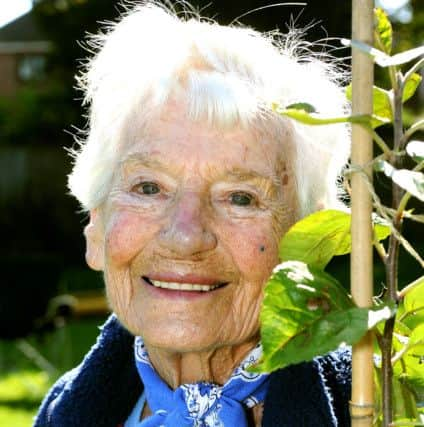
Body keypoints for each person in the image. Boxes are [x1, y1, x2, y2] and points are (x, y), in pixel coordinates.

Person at [34, 2, 352, 426]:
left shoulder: (380, 410)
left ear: (313, 241)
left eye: (240, 197)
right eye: (148, 188)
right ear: (97, 224)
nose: (184, 237)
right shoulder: (62, 413)